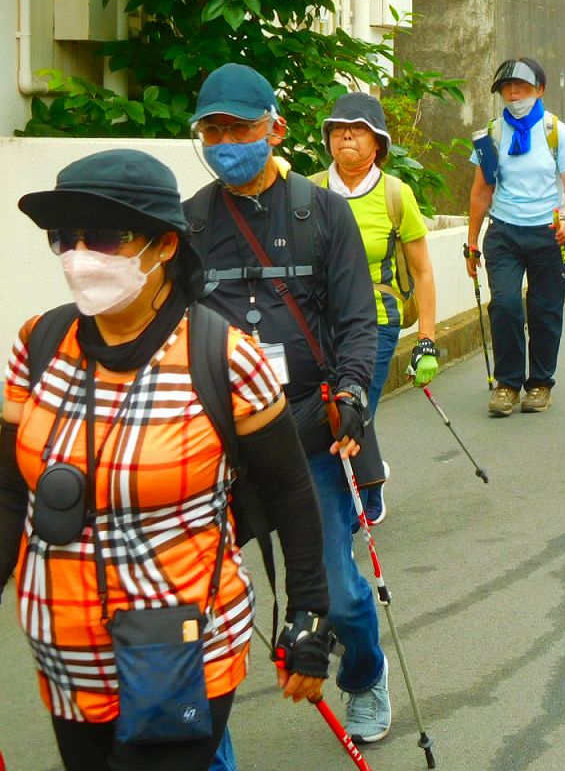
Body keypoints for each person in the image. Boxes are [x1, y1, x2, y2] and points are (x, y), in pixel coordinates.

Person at [1, 150, 331, 771]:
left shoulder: (224, 358)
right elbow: (9, 494)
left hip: (177, 650)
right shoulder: (38, 345)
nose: (79, 254)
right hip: (65, 651)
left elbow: (290, 492)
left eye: (103, 235)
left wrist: (309, 618)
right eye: (63, 237)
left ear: (163, 246)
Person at [183, 64, 392, 745]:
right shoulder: (189, 223)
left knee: (339, 592)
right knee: (187, 595)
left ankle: (363, 674)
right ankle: (196, 727)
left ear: (274, 128)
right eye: (211, 130)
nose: (225, 141)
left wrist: (356, 389)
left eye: (239, 128)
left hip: (308, 432)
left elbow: (359, 319)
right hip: (221, 442)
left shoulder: (322, 212)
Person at [311, 92, 438, 525]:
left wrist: (427, 341)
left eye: (358, 128)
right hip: (319, 321)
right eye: (338, 128)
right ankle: (364, 476)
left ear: (377, 143)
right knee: (325, 409)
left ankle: (357, 497)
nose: (346, 134)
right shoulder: (308, 191)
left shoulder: (394, 195)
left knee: (356, 405)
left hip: (377, 322)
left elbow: (422, 272)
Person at [466, 57, 565, 416]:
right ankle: (507, 383)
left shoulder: (554, 131)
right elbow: (480, 192)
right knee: (505, 305)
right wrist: (471, 242)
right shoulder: (492, 134)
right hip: (503, 232)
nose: (514, 93)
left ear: (540, 90)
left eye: (522, 87)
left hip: (549, 233)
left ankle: (540, 383)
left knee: (545, 309)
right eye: (507, 87)